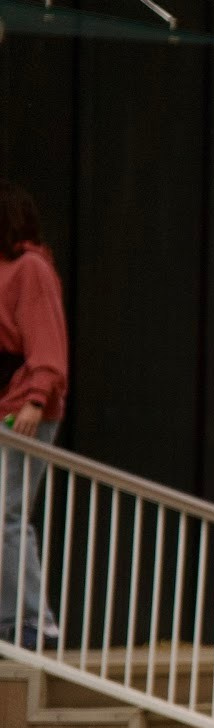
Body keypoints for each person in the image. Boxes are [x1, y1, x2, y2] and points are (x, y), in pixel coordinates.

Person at [0, 182, 67, 649]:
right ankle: (13, 620)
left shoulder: (30, 269)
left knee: (8, 513)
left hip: (24, 409)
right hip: (9, 405)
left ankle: (32, 621)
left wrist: (36, 398)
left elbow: (47, 343)